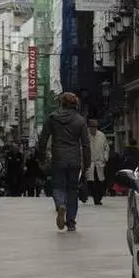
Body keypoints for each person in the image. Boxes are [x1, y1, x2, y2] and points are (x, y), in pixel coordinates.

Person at [37, 92, 91, 232]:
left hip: (58, 158)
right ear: (75, 104)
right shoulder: (80, 120)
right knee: (72, 190)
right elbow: (86, 144)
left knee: (58, 186)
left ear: (61, 102)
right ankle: (71, 222)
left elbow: (43, 139)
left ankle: (60, 204)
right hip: (74, 159)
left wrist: (41, 158)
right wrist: (87, 163)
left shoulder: (53, 118)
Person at [85, 119, 110, 206]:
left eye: (95, 127)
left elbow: (106, 148)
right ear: (89, 127)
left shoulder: (101, 135)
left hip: (100, 163)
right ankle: (95, 197)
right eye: (92, 127)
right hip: (90, 162)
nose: (94, 129)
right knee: (91, 181)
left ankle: (98, 198)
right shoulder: (86, 136)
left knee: (100, 181)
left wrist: (105, 158)